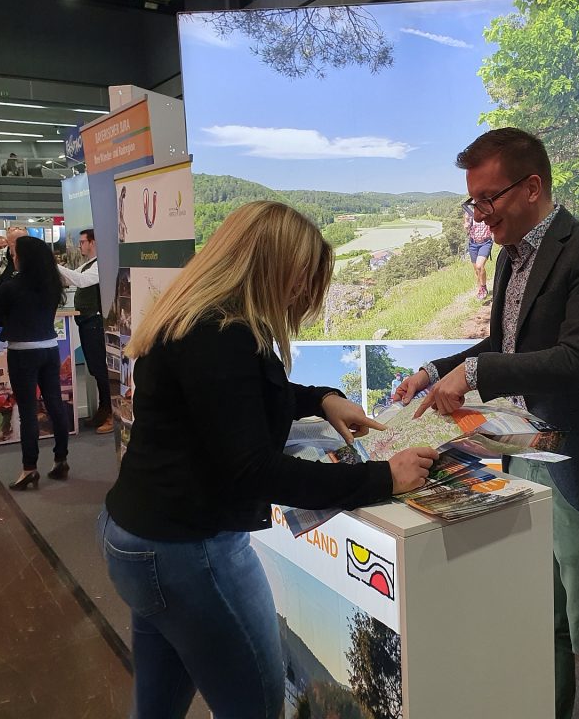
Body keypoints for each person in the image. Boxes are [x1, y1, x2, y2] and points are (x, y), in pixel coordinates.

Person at [98, 200, 438, 718]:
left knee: (159, 704)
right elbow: (254, 469)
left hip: (137, 537)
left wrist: (322, 397)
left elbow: (241, 396)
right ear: (268, 264)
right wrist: (384, 477)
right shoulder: (221, 335)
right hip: (189, 551)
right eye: (301, 277)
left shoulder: (202, 320)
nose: (304, 293)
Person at [394, 128, 579, 719]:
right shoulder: (512, 256)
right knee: (545, 625)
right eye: (473, 202)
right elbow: (506, 341)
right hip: (526, 453)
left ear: (532, 187)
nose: (480, 215)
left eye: (489, 198)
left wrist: (477, 372)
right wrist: (436, 371)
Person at [0, 236, 71, 490]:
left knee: (27, 411)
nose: (12, 257)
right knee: (55, 404)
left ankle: (29, 468)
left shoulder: (11, 287)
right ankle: (61, 459)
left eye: (14, 253)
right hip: (50, 348)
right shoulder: (52, 285)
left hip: (22, 353)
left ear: (22, 257)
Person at [57, 229, 113, 434]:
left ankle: (110, 412)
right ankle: (105, 408)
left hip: (96, 322)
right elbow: (72, 278)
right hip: (87, 322)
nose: (80, 245)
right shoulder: (88, 265)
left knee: (100, 369)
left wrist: (51, 265)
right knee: (96, 369)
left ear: (93, 242)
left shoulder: (101, 264)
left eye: (82, 242)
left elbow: (80, 281)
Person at [464, 206, 494, 299]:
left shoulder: (487, 208)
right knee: (477, 271)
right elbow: (466, 225)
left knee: (479, 266)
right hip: (473, 243)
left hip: (486, 242)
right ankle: (480, 290)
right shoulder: (469, 210)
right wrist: (466, 225)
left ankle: (484, 288)